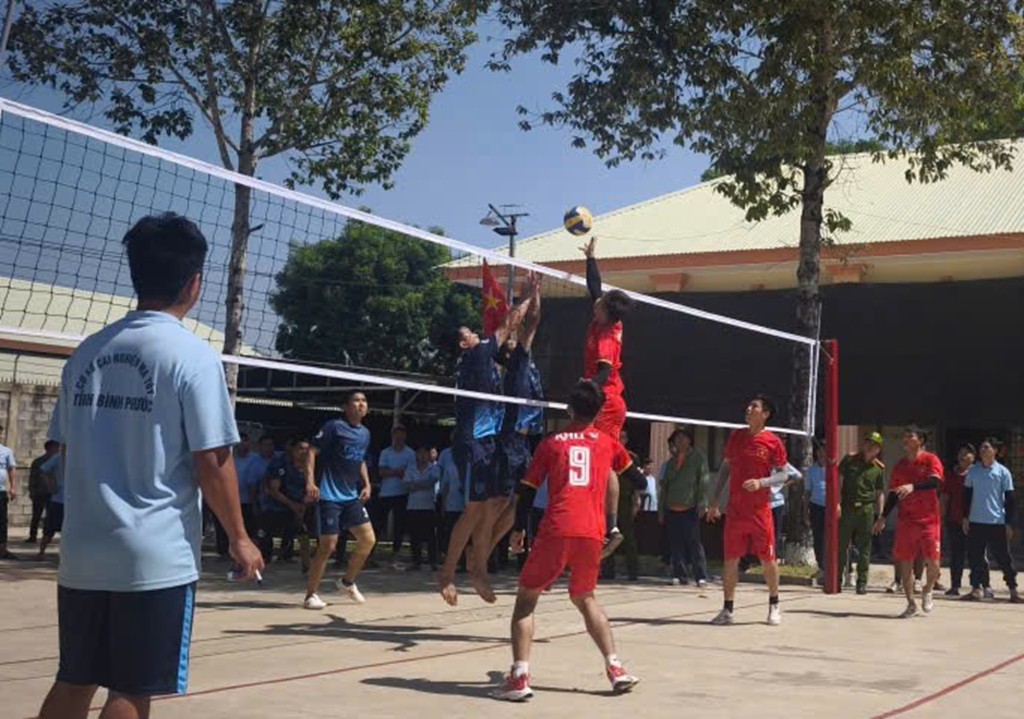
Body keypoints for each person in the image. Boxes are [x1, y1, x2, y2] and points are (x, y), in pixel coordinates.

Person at [36, 213, 263, 719]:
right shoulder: (193, 357)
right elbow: (212, 460)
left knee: (74, 681)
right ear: (194, 283)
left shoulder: (87, 353)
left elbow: (66, 451)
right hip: (152, 554)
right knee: (130, 691)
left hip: (83, 549)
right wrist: (240, 537)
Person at [492, 380, 640, 701]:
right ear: (598, 412)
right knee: (586, 598)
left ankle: (519, 677)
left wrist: (518, 530)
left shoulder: (551, 443)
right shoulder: (607, 443)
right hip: (592, 532)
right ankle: (616, 668)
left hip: (557, 527)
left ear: (569, 410)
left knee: (526, 600)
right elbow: (638, 480)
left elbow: (527, 490)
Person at [438, 286, 533, 606]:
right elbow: (508, 324)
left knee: (498, 504)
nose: (477, 334)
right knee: (475, 509)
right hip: (473, 443)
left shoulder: (484, 362)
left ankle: (478, 568)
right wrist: (526, 297)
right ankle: (447, 574)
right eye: (471, 333)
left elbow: (516, 332)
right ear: (464, 343)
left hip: (490, 443)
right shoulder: (476, 355)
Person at [707, 394, 789, 626]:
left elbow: (784, 474)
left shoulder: (773, 442)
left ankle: (774, 605)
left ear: (765, 414)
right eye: (749, 405)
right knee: (730, 560)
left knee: (768, 559)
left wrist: (761, 483)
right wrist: (714, 501)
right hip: (735, 511)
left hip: (760, 511)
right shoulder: (736, 437)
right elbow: (725, 469)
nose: (749, 409)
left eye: (755, 406)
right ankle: (727, 610)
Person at [304, 391, 376, 609]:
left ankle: (347, 582)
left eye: (364, 400)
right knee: (328, 545)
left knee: (368, 540)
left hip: (351, 496)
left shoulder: (365, 433)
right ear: (346, 407)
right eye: (356, 400)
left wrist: (367, 483)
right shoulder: (333, 427)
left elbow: (360, 459)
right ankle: (310, 595)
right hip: (329, 495)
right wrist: (310, 482)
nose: (361, 404)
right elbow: (311, 452)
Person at [872, 425, 944, 618]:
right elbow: (894, 495)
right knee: (905, 562)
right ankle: (911, 603)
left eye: (909, 436)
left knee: (934, 562)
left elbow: (935, 482)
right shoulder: (900, 466)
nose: (905, 439)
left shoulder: (931, 459)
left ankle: (928, 589)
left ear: (920, 440)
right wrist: (883, 517)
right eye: (903, 436)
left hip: (929, 520)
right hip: (907, 520)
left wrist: (913, 486)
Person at [962, 437, 1020, 603]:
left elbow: (1010, 499)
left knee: (1003, 557)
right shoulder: (973, 471)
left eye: (987, 447)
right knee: (975, 557)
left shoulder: (1003, 472)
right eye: (982, 447)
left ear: (995, 451)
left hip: (996, 521)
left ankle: (1013, 590)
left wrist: (1009, 523)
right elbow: (966, 496)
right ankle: (976, 588)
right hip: (976, 520)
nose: (983, 450)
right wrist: (965, 517)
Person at [659, 426, 710, 588]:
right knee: (675, 543)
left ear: (690, 440)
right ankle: (679, 574)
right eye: (677, 439)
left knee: (694, 543)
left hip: (690, 507)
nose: (679, 441)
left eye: (683, 438)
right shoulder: (670, 462)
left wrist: (702, 503)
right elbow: (664, 487)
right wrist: (661, 510)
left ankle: (700, 576)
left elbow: (703, 481)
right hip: (671, 507)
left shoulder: (698, 458)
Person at [837, 432, 886, 595]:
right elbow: (837, 480)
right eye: (868, 443)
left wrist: (881, 515)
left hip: (866, 509)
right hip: (847, 507)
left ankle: (862, 582)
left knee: (864, 547)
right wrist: (837, 502)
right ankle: (836, 579)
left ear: (878, 449)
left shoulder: (878, 469)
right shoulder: (849, 460)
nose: (870, 447)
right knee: (841, 545)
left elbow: (879, 493)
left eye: (874, 445)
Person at [260, 438, 312, 568]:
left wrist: (304, 503)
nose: (304, 452)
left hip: (299, 505)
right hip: (275, 505)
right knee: (266, 534)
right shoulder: (279, 464)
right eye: (301, 448)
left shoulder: (309, 466)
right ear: (292, 449)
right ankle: (265, 559)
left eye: (307, 449)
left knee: (301, 533)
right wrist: (292, 504)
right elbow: (273, 490)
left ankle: (296, 561)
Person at [376, 425, 415, 570]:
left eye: (401, 435)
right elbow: (381, 472)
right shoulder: (385, 452)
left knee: (400, 526)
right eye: (396, 435)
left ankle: (395, 555)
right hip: (386, 493)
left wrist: (392, 471)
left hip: (402, 493)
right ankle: (370, 554)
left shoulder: (410, 453)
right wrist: (396, 472)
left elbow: (410, 472)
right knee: (379, 524)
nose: (398, 438)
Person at [941, 443, 975, 597]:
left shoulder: (977, 474)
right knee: (956, 555)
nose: (962, 456)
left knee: (976, 555)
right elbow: (945, 496)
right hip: (954, 520)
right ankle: (955, 585)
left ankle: (978, 585)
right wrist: (942, 516)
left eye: (966, 453)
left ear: (973, 457)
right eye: (960, 453)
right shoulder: (951, 475)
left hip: (975, 520)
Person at [404, 446, 441, 571]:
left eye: (425, 453)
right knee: (414, 536)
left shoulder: (434, 468)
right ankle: (416, 561)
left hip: (428, 506)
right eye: (420, 453)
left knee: (431, 536)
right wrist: (422, 483)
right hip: (413, 506)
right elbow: (406, 485)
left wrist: (416, 484)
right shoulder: (410, 468)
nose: (422, 456)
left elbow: (431, 482)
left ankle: (433, 562)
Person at [437, 439, 467, 573]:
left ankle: (465, 562)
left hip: (466, 506)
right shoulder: (449, 466)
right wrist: (443, 505)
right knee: (451, 534)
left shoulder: (469, 465)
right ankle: (453, 562)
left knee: (465, 534)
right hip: (451, 505)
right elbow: (445, 486)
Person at [26, 440, 60, 544]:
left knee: (51, 516)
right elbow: (32, 478)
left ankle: (47, 536)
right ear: (50, 448)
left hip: (53, 493)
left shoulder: (58, 461)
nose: (58, 449)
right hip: (40, 492)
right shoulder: (38, 462)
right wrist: (32, 491)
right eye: (56, 447)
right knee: (36, 515)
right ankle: (33, 536)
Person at [804, 443, 827, 580]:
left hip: (831, 507)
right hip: (816, 506)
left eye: (824, 451)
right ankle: (822, 568)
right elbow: (807, 492)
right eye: (820, 451)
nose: (822, 454)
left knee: (832, 539)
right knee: (818, 539)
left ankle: (840, 569)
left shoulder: (834, 468)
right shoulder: (811, 470)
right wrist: (805, 511)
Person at [37, 451, 65, 559]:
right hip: (58, 499)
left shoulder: (82, 457)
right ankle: (41, 552)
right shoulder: (58, 457)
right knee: (50, 528)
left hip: (75, 501)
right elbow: (43, 470)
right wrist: (51, 485)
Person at [0, 424, 17, 560]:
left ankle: (2, 549)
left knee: (2, 520)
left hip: (1, 491)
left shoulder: (6, 451)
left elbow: (11, 469)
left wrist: (13, 487)